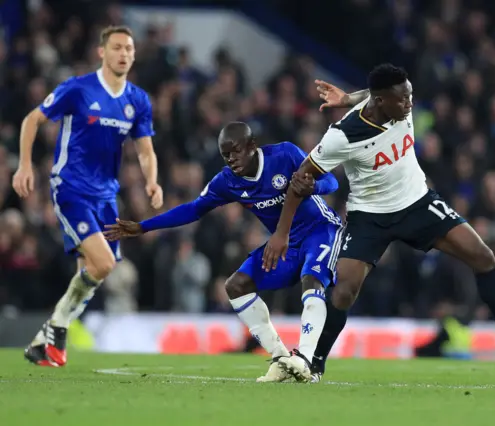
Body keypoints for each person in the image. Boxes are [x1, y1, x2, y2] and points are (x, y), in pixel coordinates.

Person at [263, 64, 495, 375]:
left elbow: (372, 95)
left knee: (483, 256)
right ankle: (315, 364)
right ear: (380, 102)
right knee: (344, 289)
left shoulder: (394, 104)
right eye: (402, 100)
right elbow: (300, 180)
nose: (409, 105)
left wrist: (349, 97)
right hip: (370, 216)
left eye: (410, 96)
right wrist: (281, 234)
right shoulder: (341, 136)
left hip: (417, 202)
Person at [105, 122, 343, 383]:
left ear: (253, 146)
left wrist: (313, 188)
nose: (231, 159)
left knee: (312, 280)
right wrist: (143, 226)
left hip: (321, 229)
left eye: (236, 151)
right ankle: (281, 360)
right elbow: (194, 209)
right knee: (237, 286)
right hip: (284, 243)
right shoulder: (227, 182)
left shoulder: (285, 155)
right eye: (225, 154)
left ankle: (306, 360)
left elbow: (330, 181)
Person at [13, 26, 163, 367]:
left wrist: (151, 182)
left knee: (95, 271)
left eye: (129, 48)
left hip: (107, 195)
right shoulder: (78, 89)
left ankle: (44, 342)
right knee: (104, 263)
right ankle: (58, 332)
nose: (123, 53)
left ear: (134, 55)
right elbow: (31, 120)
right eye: (116, 47)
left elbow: (145, 150)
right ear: (102, 52)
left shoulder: (137, 100)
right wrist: (24, 166)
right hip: (71, 188)